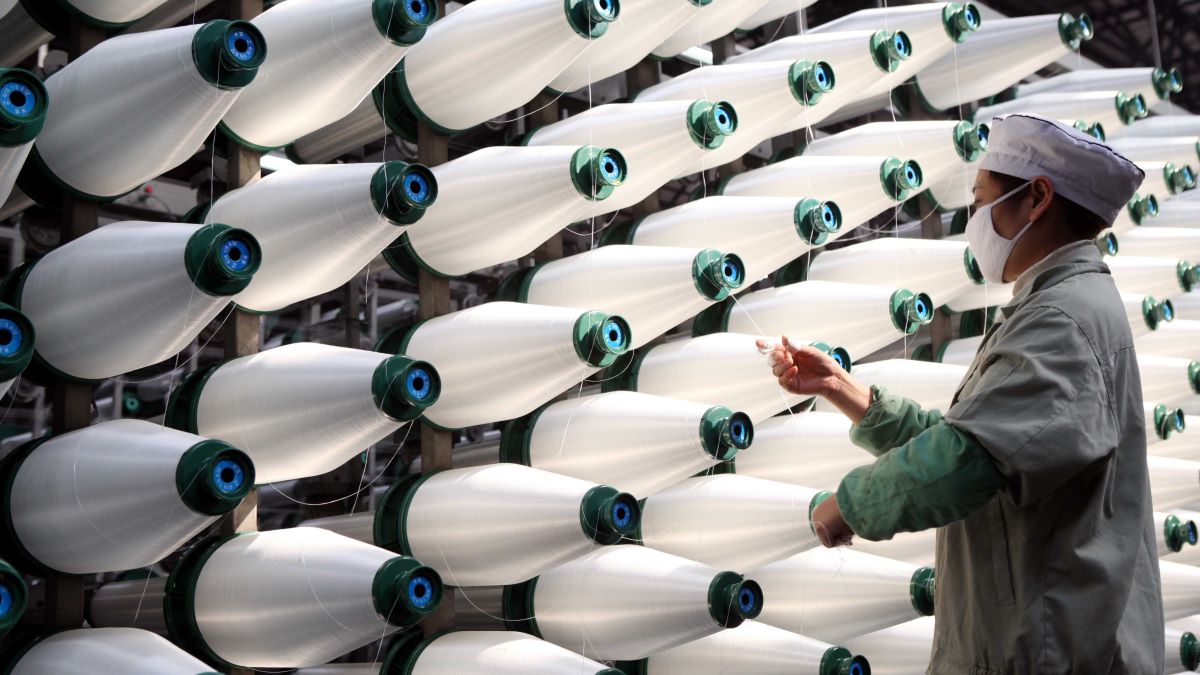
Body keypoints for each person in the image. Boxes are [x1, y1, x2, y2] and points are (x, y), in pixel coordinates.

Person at [760, 113, 1164, 674]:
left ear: (1036, 198)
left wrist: (847, 506)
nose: (974, 221)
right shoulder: (1056, 305)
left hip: (1043, 654)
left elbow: (966, 461)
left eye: (980, 201)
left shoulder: (1062, 319)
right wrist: (841, 387)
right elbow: (985, 439)